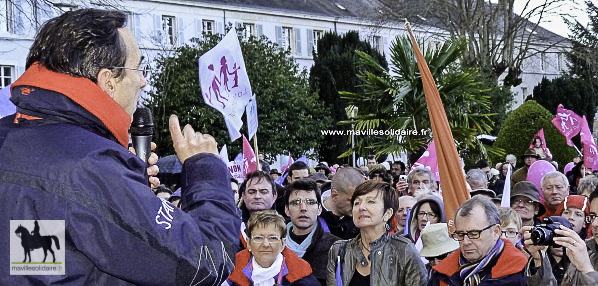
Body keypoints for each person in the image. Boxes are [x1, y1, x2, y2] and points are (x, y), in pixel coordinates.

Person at [0, 9, 239, 285]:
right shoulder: (88, 166)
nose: (143, 80)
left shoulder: (14, 140)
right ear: (108, 82)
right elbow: (204, 261)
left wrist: (129, 191)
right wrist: (205, 168)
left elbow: (35, 260)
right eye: (138, 68)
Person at [327, 181, 427, 285]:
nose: (361, 207)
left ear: (388, 214)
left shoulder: (404, 250)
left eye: (371, 202)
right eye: (357, 203)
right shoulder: (338, 250)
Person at [428, 196, 528, 286]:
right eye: (461, 234)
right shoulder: (441, 274)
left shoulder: (521, 272)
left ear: (496, 232)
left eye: (474, 234)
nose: (466, 242)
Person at [225, 210, 319, 286]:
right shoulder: (229, 272)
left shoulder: (302, 277)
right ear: (249, 243)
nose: (266, 244)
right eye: (258, 238)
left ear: (283, 244)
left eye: (272, 238)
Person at [283, 179, 340, 285]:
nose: (303, 208)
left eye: (310, 202)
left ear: (319, 209)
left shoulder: (337, 247)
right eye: (296, 203)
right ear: (287, 209)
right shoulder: (273, 246)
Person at [522, 214, 598, 286]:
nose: (595, 224)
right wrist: (538, 260)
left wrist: (586, 269)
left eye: (561, 236)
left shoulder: (585, 257)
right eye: (553, 236)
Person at [321, 167, 365, 239]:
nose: (359, 206)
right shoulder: (310, 214)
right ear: (334, 195)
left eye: (361, 200)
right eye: (352, 200)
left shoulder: (362, 218)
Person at [239, 171, 277, 247]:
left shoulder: (286, 229)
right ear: (243, 196)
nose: (257, 196)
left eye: (263, 192)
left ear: (274, 196)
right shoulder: (231, 230)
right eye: (252, 192)